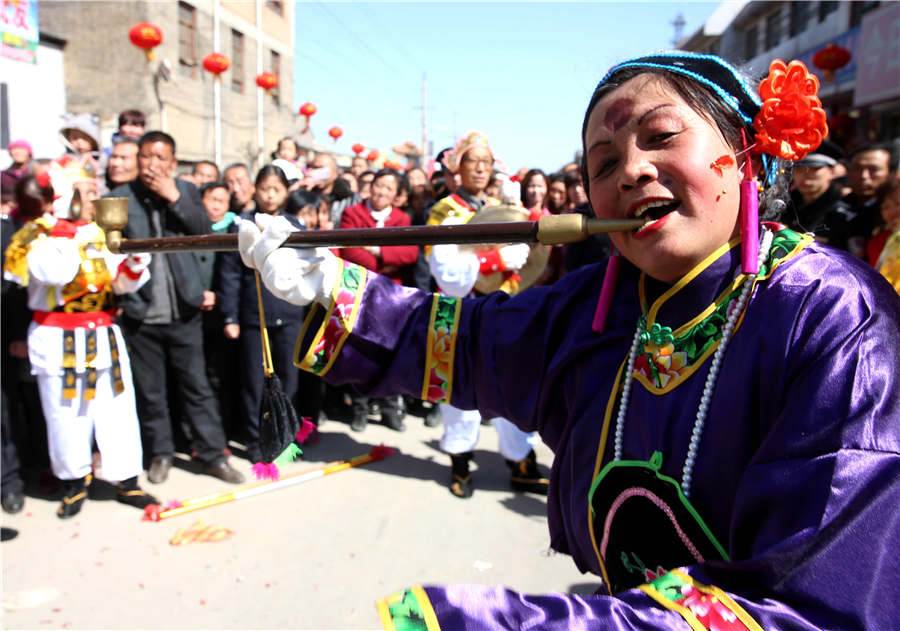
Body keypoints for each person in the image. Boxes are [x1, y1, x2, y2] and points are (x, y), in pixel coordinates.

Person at [238, 52, 900, 629]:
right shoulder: (598, 304)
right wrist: (335, 284)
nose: (633, 171)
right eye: (605, 161)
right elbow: (467, 344)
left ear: (746, 152)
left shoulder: (834, 315)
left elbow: (818, 602)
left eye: (662, 136)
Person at [3, 174, 159, 518]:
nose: (91, 198)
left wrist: (133, 262)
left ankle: (126, 479)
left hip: (103, 333)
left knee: (117, 407)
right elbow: (55, 272)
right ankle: (74, 482)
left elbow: (119, 286)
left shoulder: (99, 233)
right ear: (59, 196)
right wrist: (65, 234)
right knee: (66, 413)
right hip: (58, 338)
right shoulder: (34, 234)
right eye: (82, 192)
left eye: (93, 192)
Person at [109, 131, 243, 485]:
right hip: (140, 312)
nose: (153, 164)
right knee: (152, 393)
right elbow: (107, 253)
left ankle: (213, 454)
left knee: (196, 386)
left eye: (160, 157)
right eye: (146, 156)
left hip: (184, 308)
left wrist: (172, 196)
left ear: (173, 161)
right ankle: (161, 454)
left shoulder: (184, 192)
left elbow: (203, 230)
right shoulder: (120, 197)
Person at [422, 131, 550, 499]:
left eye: (486, 162)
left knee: (510, 382)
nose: (479, 168)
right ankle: (460, 463)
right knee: (460, 387)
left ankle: (520, 461)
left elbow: (528, 257)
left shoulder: (498, 204)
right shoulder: (445, 211)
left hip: (501, 309)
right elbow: (444, 272)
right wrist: (493, 260)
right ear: (457, 169)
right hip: (460, 312)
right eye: (471, 162)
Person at [217, 165, 305, 463]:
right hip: (254, 313)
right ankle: (257, 441)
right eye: (265, 187)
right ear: (255, 189)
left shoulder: (294, 224)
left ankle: (286, 439)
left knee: (289, 379)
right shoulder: (242, 224)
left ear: (285, 191)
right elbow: (229, 274)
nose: (270, 194)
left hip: (289, 311)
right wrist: (230, 316)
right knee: (255, 383)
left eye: (276, 188)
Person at [338, 169, 419, 432]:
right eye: (378, 186)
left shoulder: (402, 218)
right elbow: (350, 250)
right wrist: (385, 258)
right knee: (359, 351)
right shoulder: (352, 214)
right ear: (370, 187)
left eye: (388, 188)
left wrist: (375, 249)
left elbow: (410, 252)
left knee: (390, 353)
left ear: (396, 195)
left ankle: (388, 409)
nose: (382, 192)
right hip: (359, 291)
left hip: (391, 297)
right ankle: (360, 409)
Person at [824, 143, 897, 257]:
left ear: (891, 173)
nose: (864, 176)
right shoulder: (835, 207)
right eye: (857, 169)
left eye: (874, 169)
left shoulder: (893, 214)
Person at [785, 140, 849, 235]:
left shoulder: (842, 209)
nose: (805, 175)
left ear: (832, 172)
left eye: (814, 169)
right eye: (799, 169)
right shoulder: (786, 205)